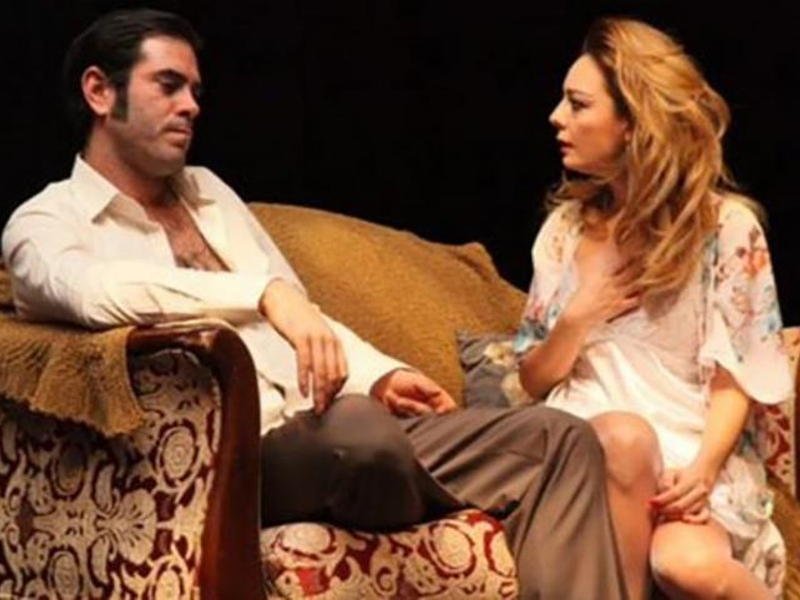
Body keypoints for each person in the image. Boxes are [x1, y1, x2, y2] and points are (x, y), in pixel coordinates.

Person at [2, 9, 630, 600]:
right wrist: (261, 294)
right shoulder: (45, 222)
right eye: (168, 85)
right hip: (241, 460)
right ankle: (405, 477)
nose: (191, 105)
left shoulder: (209, 194)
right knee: (361, 435)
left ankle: (402, 480)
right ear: (99, 92)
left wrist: (383, 375)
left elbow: (304, 317)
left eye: (194, 89)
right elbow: (92, 292)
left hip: (330, 430)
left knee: (560, 439)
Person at [515, 16, 794, 600]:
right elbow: (533, 378)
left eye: (578, 104)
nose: (556, 117)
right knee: (623, 440)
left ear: (633, 121)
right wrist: (579, 316)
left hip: (687, 452)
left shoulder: (725, 229)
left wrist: (704, 470)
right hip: (587, 449)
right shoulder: (565, 232)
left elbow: (737, 376)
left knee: (687, 566)